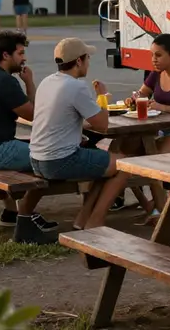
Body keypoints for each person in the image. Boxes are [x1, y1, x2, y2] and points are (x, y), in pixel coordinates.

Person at [28, 38, 125, 228]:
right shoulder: (75, 86)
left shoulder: (47, 81)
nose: (89, 62)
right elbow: (102, 125)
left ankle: (82, 219)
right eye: (87, 57)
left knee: (104, 162)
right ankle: (96, 221)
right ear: (79, 61)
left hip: (36, 158)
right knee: (123, 165)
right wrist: (102, 97)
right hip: (58, 161)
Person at [0, 31, 58, 244]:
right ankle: (26, 217)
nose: (24, 58)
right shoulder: (4, 81)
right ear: (6, 55)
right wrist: (29, 82)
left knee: (30, 149)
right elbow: (34, 115)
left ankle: (11, 212)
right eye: (20, 53)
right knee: (49, 157)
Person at [112, 31, 170, 218]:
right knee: (124, 150)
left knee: (156, 158)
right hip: (159, 129)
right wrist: (133, 100)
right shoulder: (156, 74)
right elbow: (141, 94)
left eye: (158, 55)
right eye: (152, 55)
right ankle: (148, 205)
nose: (153, 59)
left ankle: (159, 208)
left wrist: (163, 107)